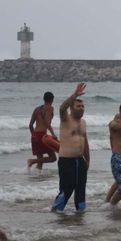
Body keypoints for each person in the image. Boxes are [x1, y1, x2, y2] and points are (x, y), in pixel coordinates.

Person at [51, 83, 90, 214]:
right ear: (72, 109)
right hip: (67, 161)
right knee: (67, 189)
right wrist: (74, 95)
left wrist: (87, 160)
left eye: (83, 106)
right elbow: (62, 108)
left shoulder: (83, 123)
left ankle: (80, 214)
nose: (81, 108)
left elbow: (85, 141)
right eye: (78, 106)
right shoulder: (66, 119)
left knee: (81, 189)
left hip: (80, 160)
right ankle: (56, 211)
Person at [27, 91, 58, 170]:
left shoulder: (36, 109)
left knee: (40, 163)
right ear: (52, 100)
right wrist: (53, 135)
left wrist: (33, 135)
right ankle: (32, 161)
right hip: (42, 136)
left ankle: (38, 179)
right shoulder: (50, 108)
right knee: (53, 158)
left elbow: (30, 125)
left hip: (35, 135)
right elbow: (47, 123)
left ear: (44, 99)